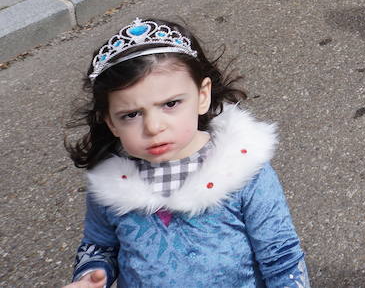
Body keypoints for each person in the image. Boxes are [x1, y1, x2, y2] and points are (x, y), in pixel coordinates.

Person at [66, 17, 309, 285]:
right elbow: (100, 245)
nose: (153, 126)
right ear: (110, 121)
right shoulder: (111, 185)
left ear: (202, 96)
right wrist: (92, 274)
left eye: (170, 104)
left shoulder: (243, 171)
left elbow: (281, 257)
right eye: (131, 114)